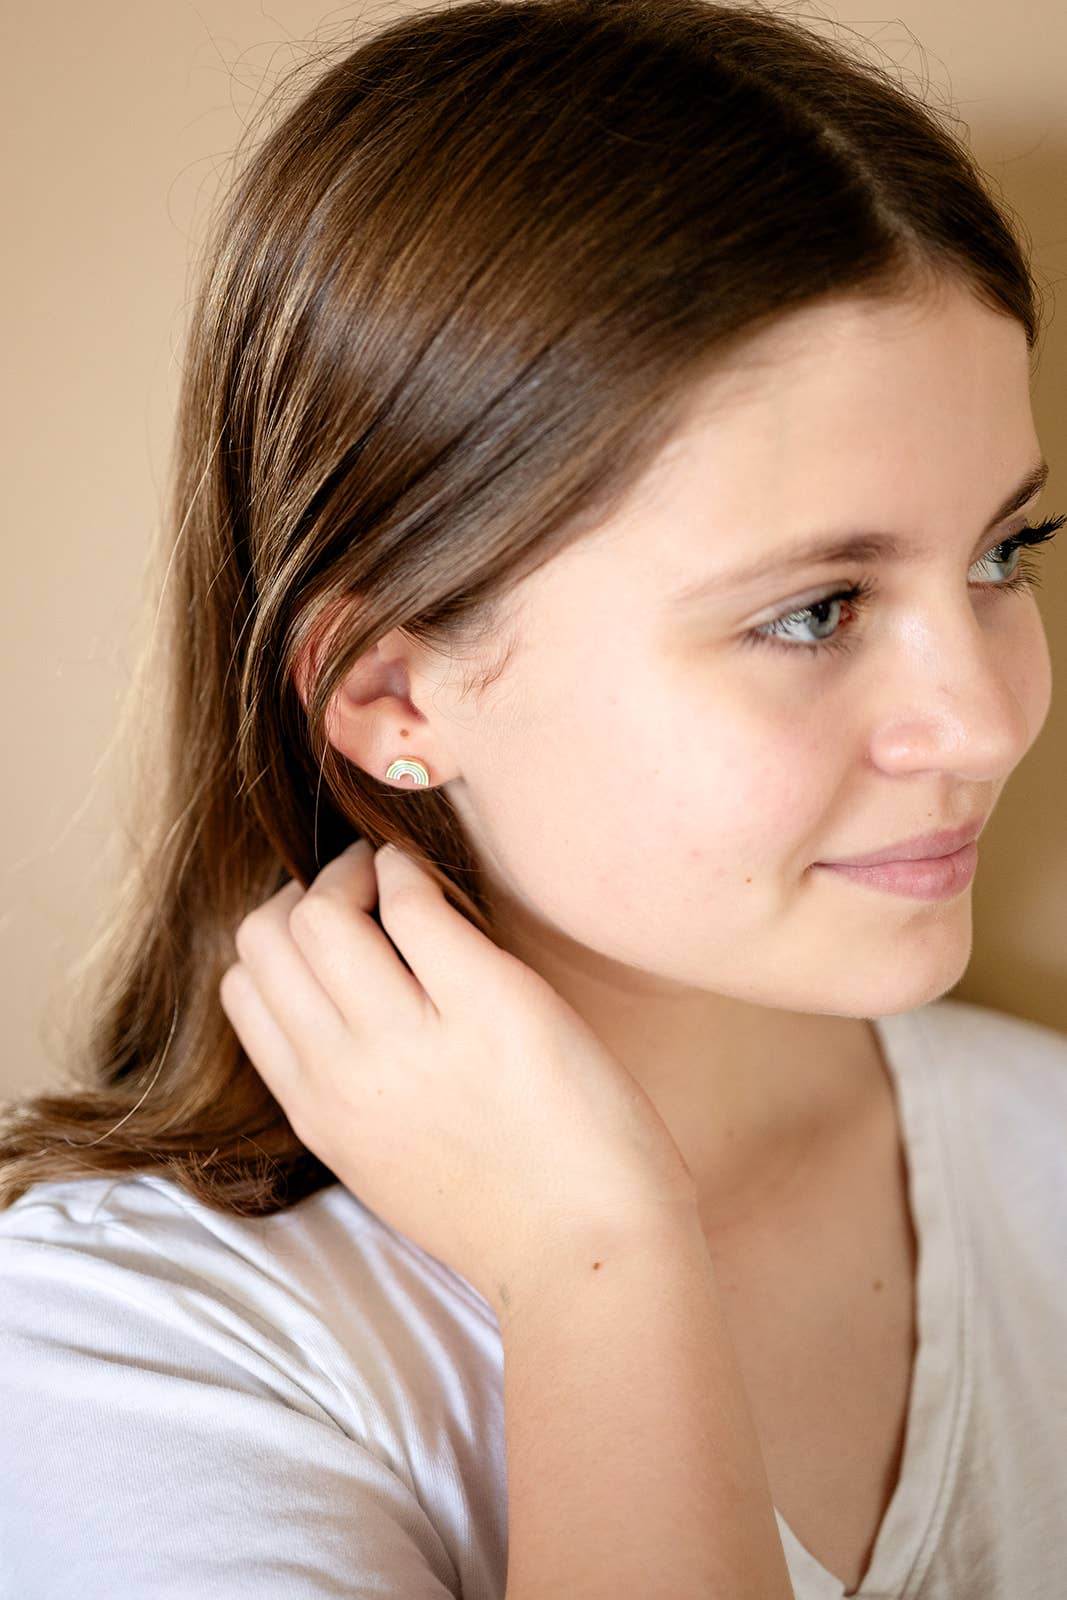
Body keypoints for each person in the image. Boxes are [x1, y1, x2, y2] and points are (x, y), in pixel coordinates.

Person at [1, 0, 1065, 1595]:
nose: (984, 718)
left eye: (1004, 555)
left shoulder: (1045, 1151)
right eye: (815, 611)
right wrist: (601, 1271)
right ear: (390, 693)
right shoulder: (130, 1348)